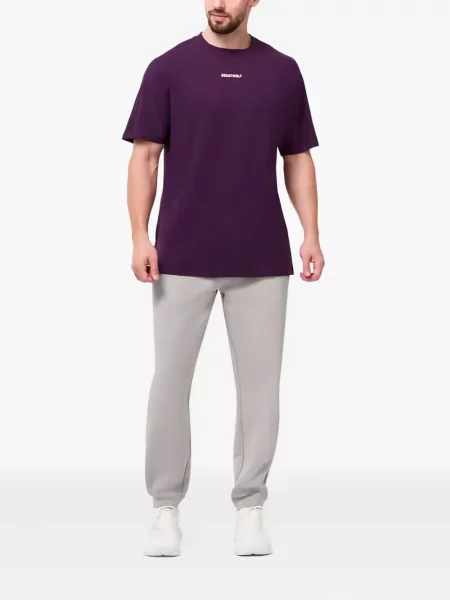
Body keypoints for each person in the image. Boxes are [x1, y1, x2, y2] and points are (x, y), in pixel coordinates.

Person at [122, 0, 324, 557]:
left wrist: (310, 232)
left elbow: (298, 157)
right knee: (169, 383)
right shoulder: (167, 68)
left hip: (261, 257)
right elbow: (145, 157)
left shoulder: (282, 71)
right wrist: (140, 235)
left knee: (260, 388)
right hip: (179, 256)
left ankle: (250, 507)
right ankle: (165, 509)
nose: (217, 3)